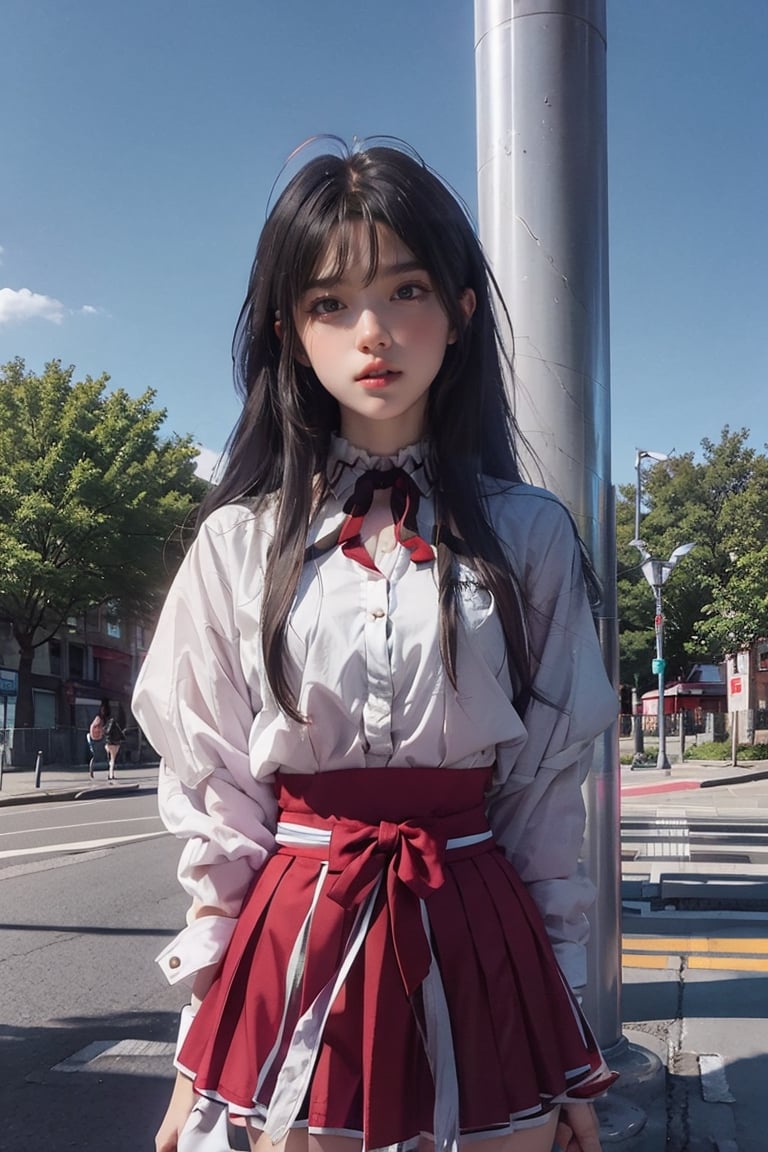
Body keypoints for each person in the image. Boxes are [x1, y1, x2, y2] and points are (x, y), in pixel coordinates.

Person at [132, 140, 619, 1152]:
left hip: (482, 932)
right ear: (287, 332)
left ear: (462, 310)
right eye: (329, 304)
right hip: (294, 934)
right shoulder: (238, 544)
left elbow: (539, 800)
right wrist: (199, 1039)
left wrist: (562, 1026)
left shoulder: (527, 534)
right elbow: (218, 800)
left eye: (405, 290)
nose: (373, 332)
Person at [88, 701, 109, 779]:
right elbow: (97, 728)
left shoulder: (101, 718)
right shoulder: (99, 718)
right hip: (97, 740)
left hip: (98, 739)